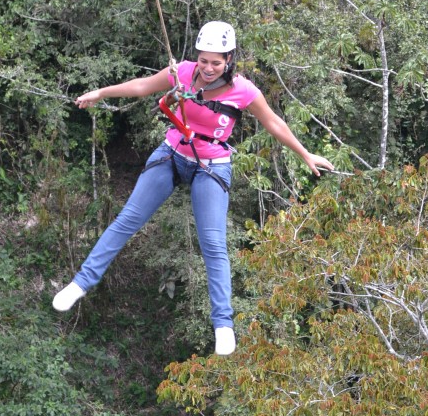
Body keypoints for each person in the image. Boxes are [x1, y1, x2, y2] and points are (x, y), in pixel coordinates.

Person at [53, 21, 334, 355]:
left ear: (230, 59)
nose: (209, 68)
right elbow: (143, 86)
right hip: (172, 155)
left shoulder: (244, 91)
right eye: (204, 60)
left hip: (211, 166)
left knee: (213, 244)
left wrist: (304, 155)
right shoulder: (182, 72)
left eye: (217, 62)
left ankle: (223, 324)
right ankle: (80, 283)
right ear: (197, 57)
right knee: (128, 219)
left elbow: (274, 123)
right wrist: (102, 92)